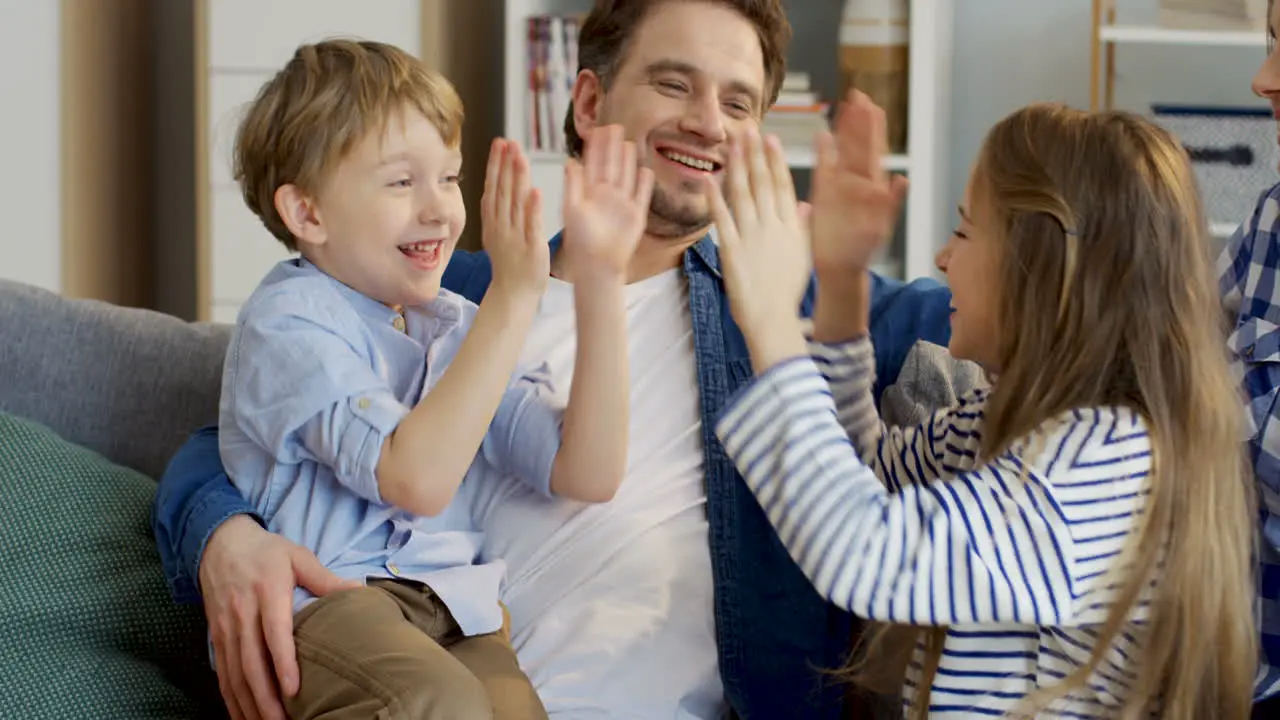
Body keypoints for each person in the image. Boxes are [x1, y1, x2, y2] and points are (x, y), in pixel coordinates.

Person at [151, 1, 954, 718]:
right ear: (590, 101)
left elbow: (1039, 324)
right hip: (413, 675)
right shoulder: (450, 292)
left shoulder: (799, 304)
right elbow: (237, 425)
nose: (710, 122)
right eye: (675, 85)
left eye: (739, 103)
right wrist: (224, 535)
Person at [707, 92, 1259, 717]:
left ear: (1045, 268)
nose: (943, 258)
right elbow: (866, 480)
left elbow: (861, 551)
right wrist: (839, 286)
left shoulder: (1110, 460)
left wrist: (773, 322)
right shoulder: (1004, 417)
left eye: (965, 230)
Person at [214, 39, 653, 719]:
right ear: (308, 214)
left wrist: (599, 277)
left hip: (455, 608)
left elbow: (587, 471)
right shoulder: (289, 319)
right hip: (330, 607)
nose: (440, 209)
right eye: (401, 181)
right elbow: (413, 478)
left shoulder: (454, 325)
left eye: (448, 178)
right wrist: (514, 296)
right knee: (436, 702)